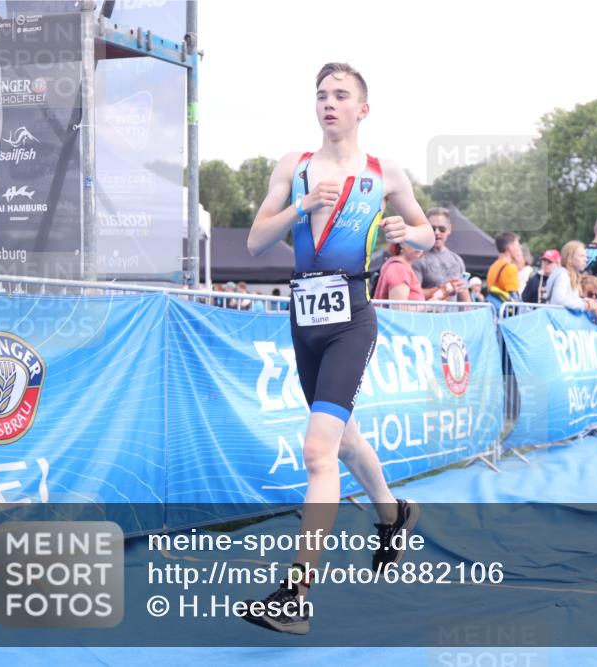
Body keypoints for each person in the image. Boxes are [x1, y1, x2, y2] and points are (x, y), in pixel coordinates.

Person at [245, 62, 434, 635]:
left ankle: (296, 594)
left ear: (362, 109)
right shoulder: (294, 167)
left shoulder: (385, 173)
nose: (329, 103)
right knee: (344, 440)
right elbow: (255, 243)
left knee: (318, 454)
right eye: (322, 95)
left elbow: (426, 233)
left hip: (353, 318)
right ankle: (393, 514)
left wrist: (409, 235)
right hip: (304, 319)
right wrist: (300, 208)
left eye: (341, 95)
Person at [546, 240, 597, 332]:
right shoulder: (563, 274)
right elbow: (559, 300)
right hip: (555, 325)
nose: (586, 259)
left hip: (560, 324)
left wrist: (587, 303)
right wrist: (585, 305)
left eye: (585, 256)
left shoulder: (571, 276)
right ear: (569, 259)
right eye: (581, 256)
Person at [412, 207, 469, 302]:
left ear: (449, 229)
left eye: (442, 229)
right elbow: (413, 295)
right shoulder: (417, 258)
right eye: (432, 228)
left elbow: (465, 298)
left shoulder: (457, 260)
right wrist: (442, 290)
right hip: (428, 315)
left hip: (452, 316)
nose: (437, 232)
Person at [485, 231, 523, 308]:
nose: (519, 249)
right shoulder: (510, 268)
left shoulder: (493, 266)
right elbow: (514, 298)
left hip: (494, 310)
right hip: (506, 314)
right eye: (517, 246)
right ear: (510, 247)